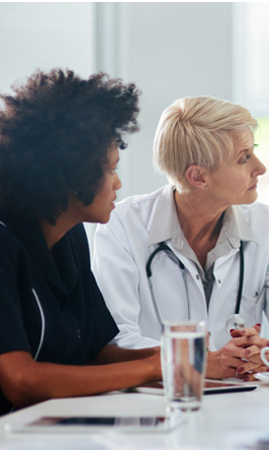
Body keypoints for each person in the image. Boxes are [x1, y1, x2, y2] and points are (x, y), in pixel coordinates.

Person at [92, 96, 269, 379]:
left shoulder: (268, 227)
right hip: (158, 410)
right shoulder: (122, 225)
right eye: (244, 158)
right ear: (198, 177)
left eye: (253, 151)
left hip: (245, 409)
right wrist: (200, 362)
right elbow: (114, 340)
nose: (261, 167)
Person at [0, 69, 163, 415]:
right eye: (110, 169)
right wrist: (154, 367)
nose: (118, 183)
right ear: (70, 176)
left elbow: (94, 354)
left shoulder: (71, 236)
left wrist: (182, 356)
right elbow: (19, 380)